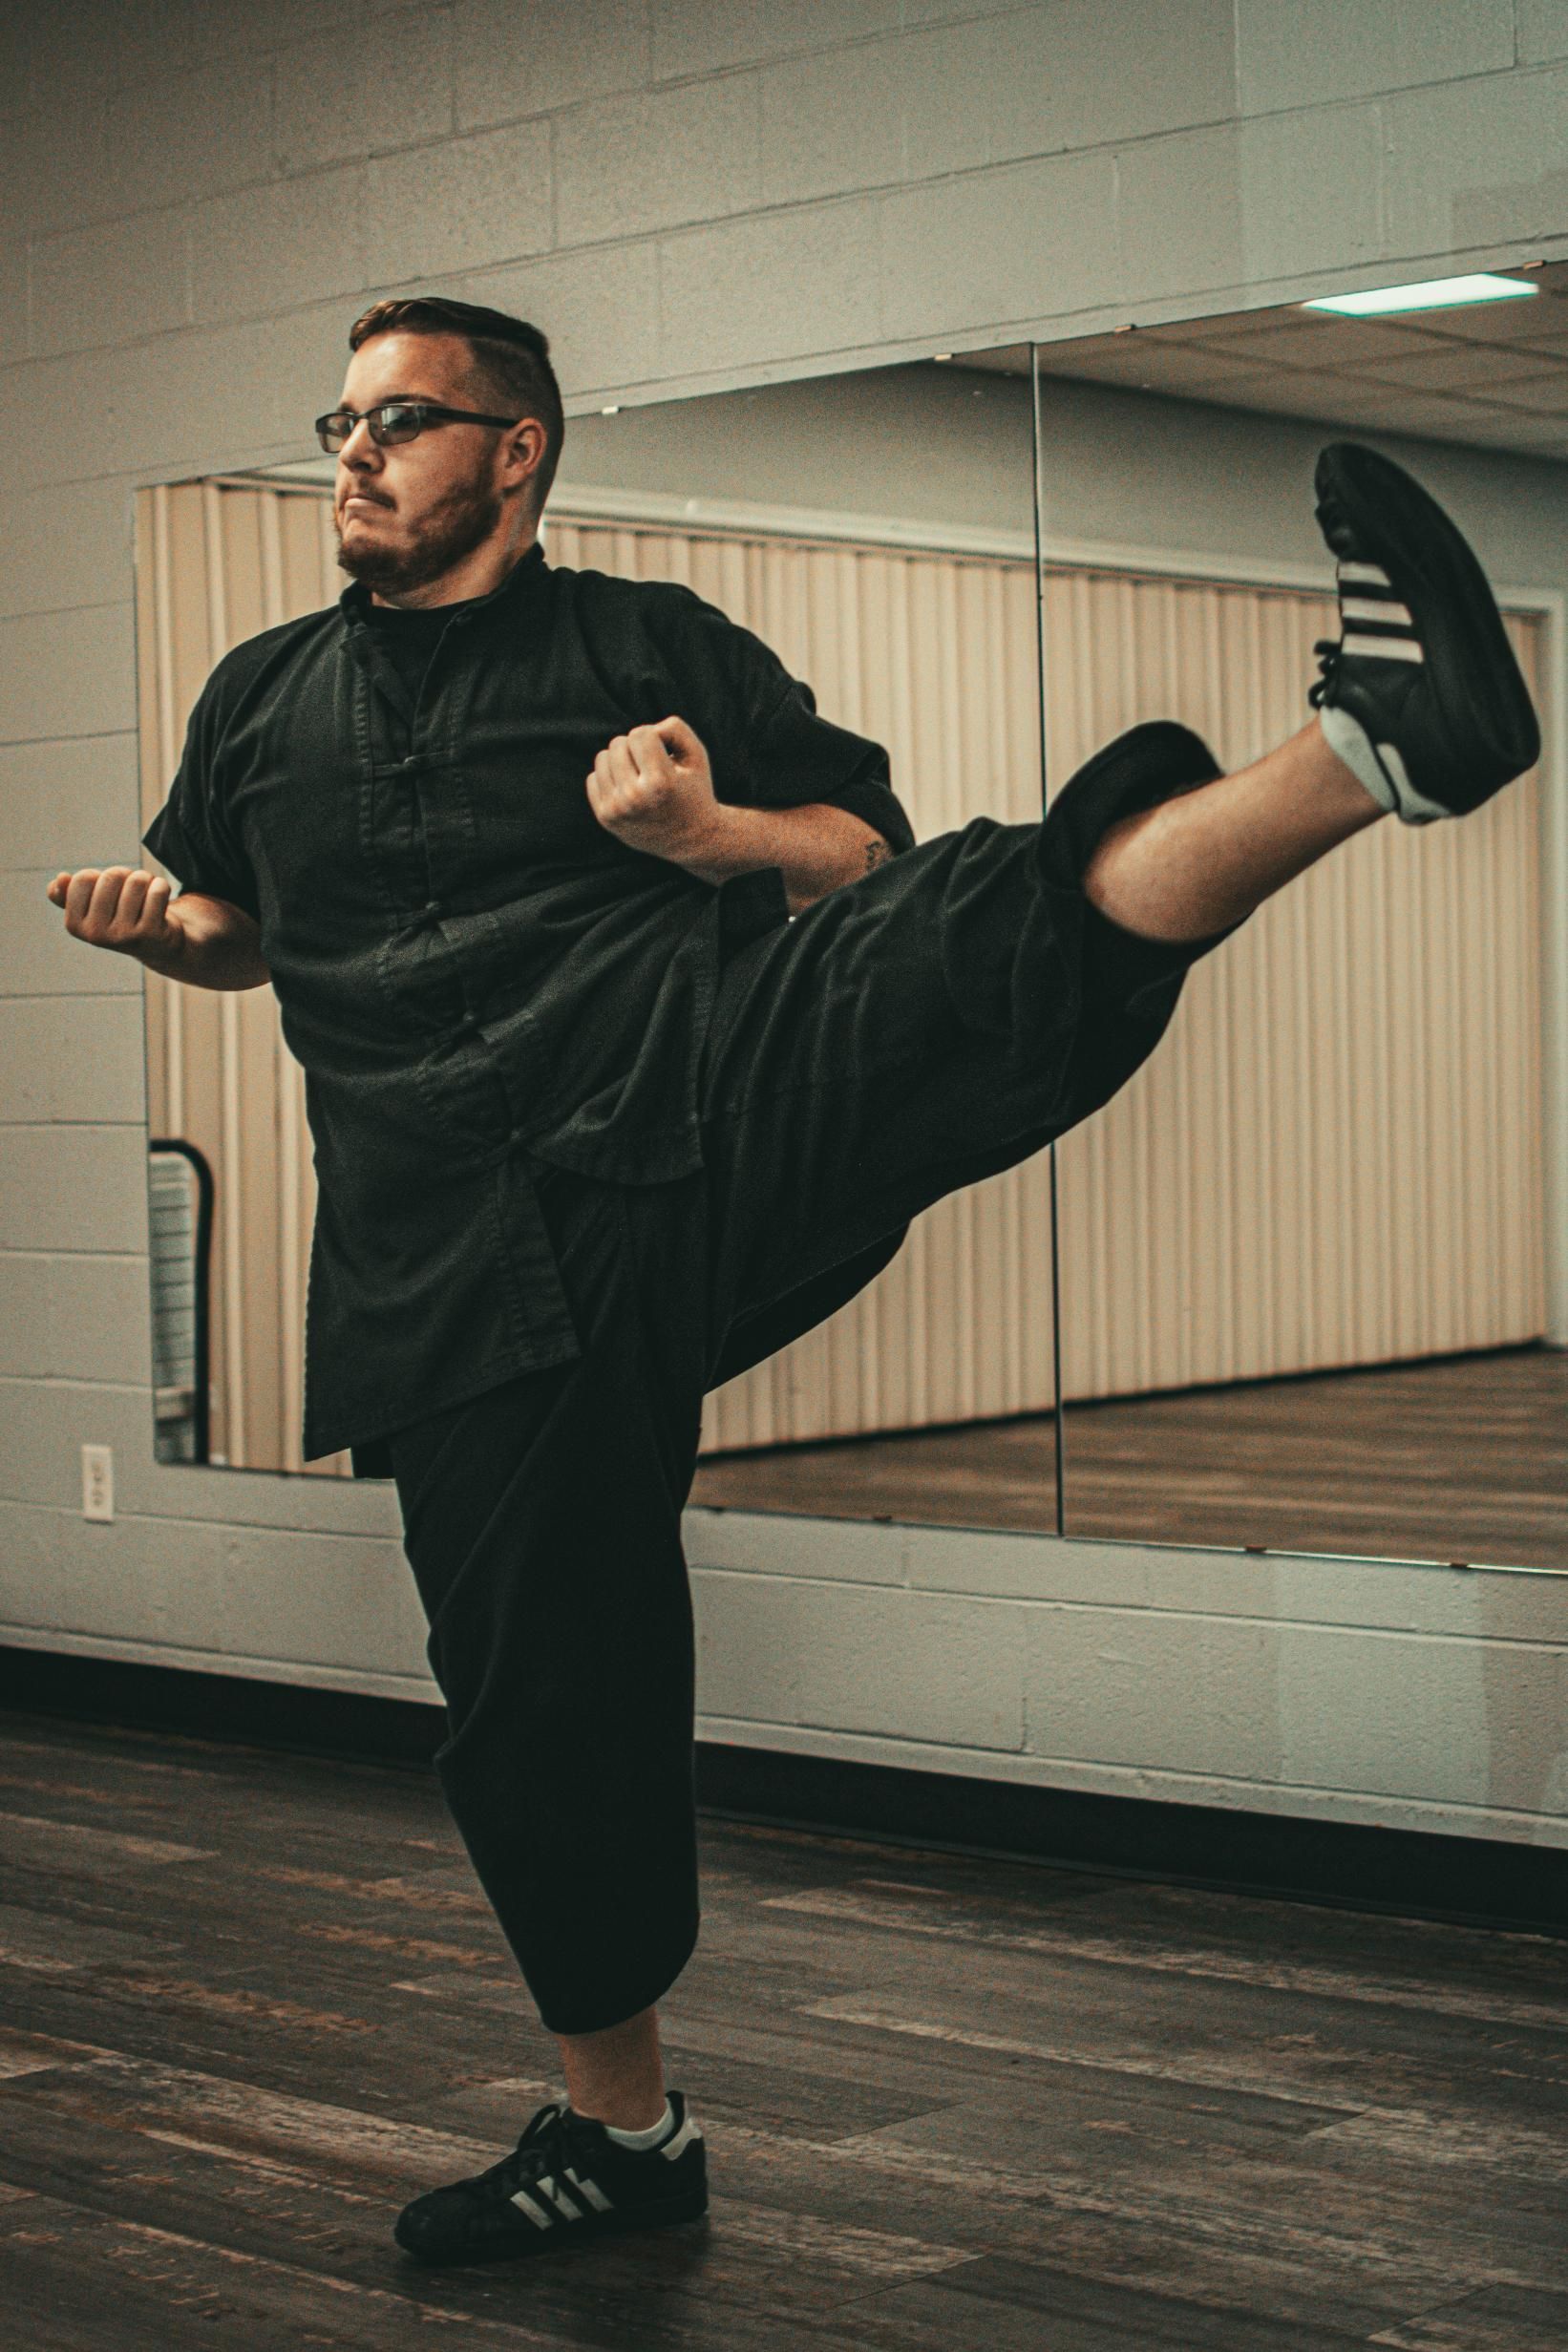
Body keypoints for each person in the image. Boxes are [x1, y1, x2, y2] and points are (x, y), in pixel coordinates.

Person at [48, 296, 1538, 2270]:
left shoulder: (647, 646)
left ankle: (1372, 744)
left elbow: (851, 846)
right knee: (535, 1697)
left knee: (959, 929)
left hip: (685, 1109)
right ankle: (624, 2132)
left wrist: (703, 831)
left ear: (515, 449)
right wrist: (172, 931)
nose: (352, 449)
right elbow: (245, 928)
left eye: (400, 418)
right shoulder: (256, 696)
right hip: (445, 1259)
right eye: (340, 416)